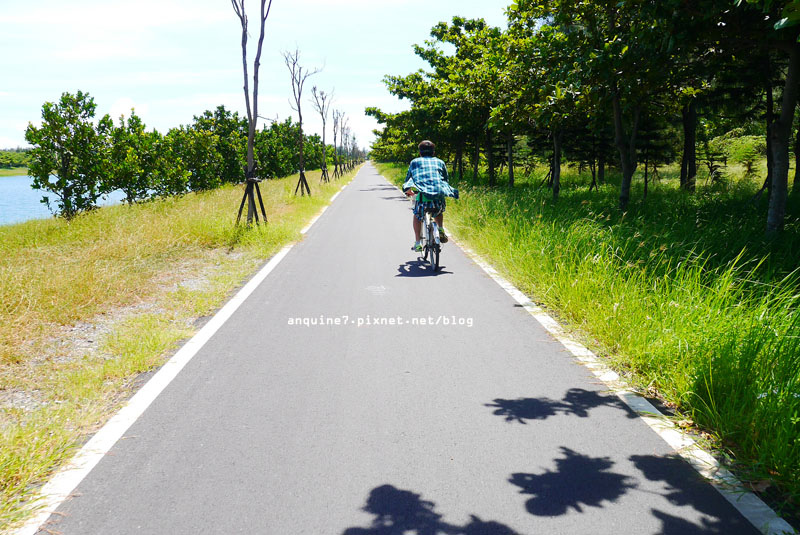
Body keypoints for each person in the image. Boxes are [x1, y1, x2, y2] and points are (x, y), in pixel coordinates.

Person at [402, 140, 458, 252]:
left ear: (420, 152)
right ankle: (440, 229)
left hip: (423, 199)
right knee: (438, 211)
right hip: (438, 198)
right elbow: (445, 179)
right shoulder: (440, 162)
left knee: (417, 215)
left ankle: (418, 243)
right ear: (433, 152)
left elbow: (409, 178)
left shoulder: (415, 162)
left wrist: (408, 191)